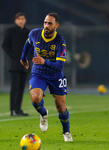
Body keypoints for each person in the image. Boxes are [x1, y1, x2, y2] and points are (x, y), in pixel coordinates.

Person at [20, 12, 73, 142]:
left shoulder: (60, 41)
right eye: (45, 22)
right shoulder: (34, 34)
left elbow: (60, 66)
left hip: (56, 75)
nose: (46, 25)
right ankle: (43, 114)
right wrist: (23, 58)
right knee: (35, 98)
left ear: (56, 25)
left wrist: (45, 61)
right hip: (39, 72)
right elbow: (28, 44)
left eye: (50, 23)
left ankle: (66, 132)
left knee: (61, 106)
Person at [2, 12, 30, 116]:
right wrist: (14, 57)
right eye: (19, 19)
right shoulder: (10, 31)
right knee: (15, 88)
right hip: (15, 64)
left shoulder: (28, 32)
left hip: (25, 65)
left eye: (23, 18)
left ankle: (18, 109)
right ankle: (13, 110)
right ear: (15, 21)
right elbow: (5, 45)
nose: (21, 20)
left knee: (21, 88)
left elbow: (31, 47)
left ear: (25, 20)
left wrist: (28, 58)